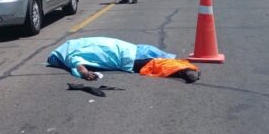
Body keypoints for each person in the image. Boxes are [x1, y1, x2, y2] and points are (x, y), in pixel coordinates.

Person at [47, 37, 200, 83]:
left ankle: (186, 71)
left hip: (125, 57)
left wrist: (86, 74)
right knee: (160, 57)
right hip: (132, 46)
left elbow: (79, 67)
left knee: (155, 65)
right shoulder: (77, 42)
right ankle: (185, 67)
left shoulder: (71, 56)